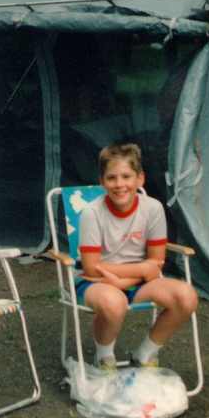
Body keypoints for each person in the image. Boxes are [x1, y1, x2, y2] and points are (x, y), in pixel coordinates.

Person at [77, 143, 198, 372]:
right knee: (114, 302)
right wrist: (142, 270)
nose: (119, 184)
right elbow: (92, 268)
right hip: (96, 283)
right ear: (102, 182)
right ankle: (104, 358)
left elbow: (157, 262)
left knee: (187, 296)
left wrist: (125, 280)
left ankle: (144, 354)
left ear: (140, 179)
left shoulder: (153, 209)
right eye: (111, 178)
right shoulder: (92, 213)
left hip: (138, 283)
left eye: (126, 176)